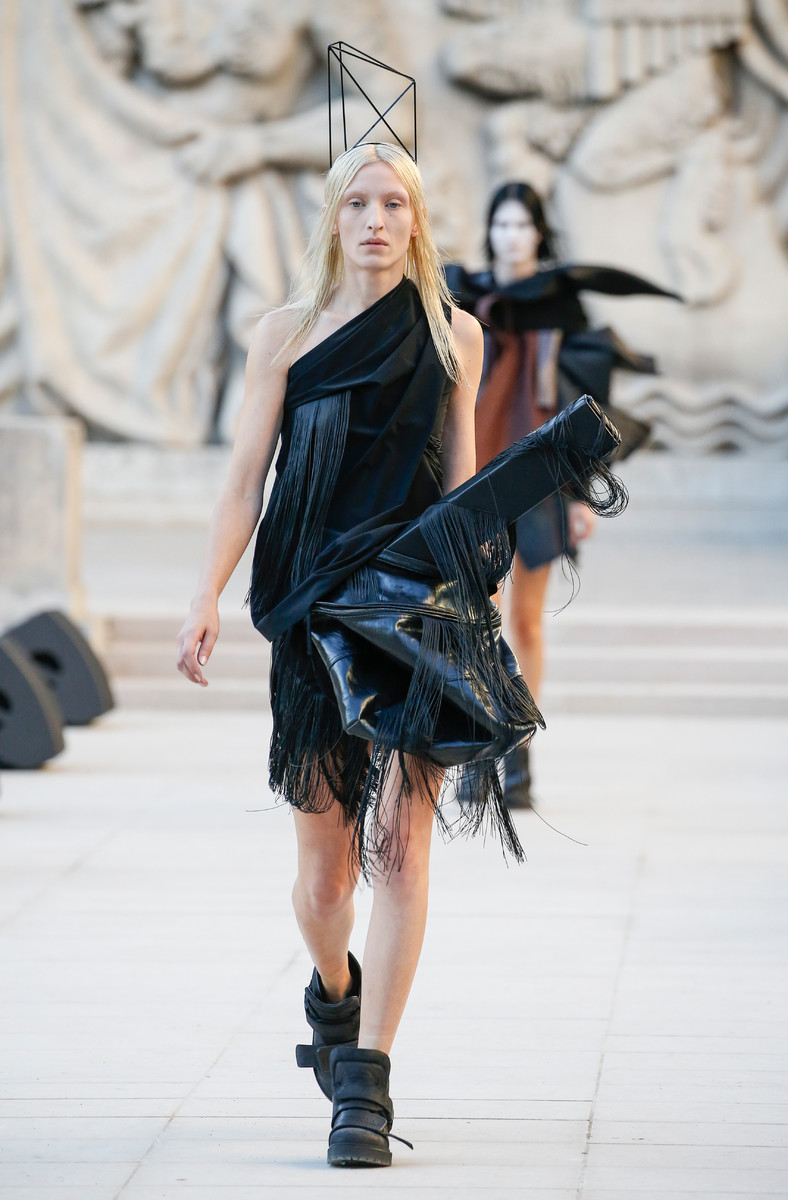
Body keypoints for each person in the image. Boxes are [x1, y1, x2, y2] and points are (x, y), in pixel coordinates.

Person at [176, 141, 490, 1170]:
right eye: (357, 202)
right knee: (325, 877)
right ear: (333, 217)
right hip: (311, 615)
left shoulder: (452, 334)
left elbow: (462, 483)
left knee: (402, 846)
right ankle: (334, 992)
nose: (375, 220)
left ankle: (366, 1082)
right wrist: (205, 595)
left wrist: (476, 589)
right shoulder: (284, 334)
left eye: (393, 202)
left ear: (416, 219)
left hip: (414, 616)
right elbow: (243, 483)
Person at [447, 181, 678, 809]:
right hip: (475, 479)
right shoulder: (464, 298)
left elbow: (580, 408)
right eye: (502, 225)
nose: (511, 237)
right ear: (489, 231)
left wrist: (580, 498)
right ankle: (478, 748)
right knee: (476, 616)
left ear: (540, 234)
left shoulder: (561, 305)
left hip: (540, 482)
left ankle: (517, 755)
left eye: (522, 226)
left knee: (524, 620)